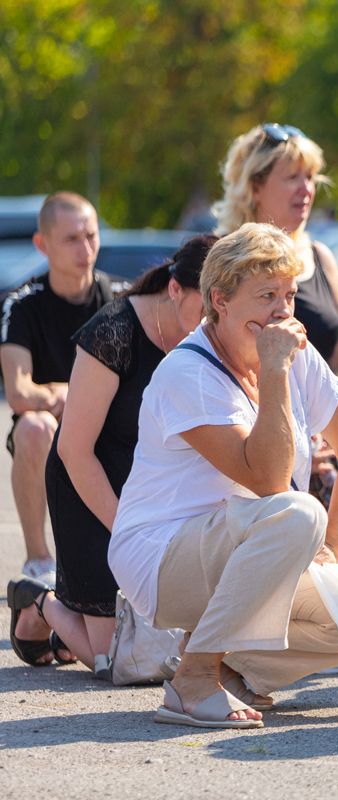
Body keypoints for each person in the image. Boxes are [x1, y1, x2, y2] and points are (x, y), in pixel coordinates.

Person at [109, 223, 338, 727]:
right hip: (162, 558)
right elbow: (270, 482)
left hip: (254, 543)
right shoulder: (187, 372)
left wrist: (332, 551)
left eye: (290, 295)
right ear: (221, 301)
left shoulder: (291, 351)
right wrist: (274, 371)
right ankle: (195, 675)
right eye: (266, 295)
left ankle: (228, 664)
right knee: (299, 512)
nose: (282, 310)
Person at [7, 236, 212, 669]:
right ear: (175, 290)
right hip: (92, 486)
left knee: (176, 649)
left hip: (159, 494)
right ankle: (40, 601)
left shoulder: (215, 340)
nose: (214, 320)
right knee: (121, 659)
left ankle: (72, 607)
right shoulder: (113, 330)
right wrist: (128, 532)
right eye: (207, 305)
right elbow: (74, 449)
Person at [212, 123, 338, 551]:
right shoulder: (220, 261)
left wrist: (328, 434)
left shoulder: (321, 257)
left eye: (311, 177)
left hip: (328, 460)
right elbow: (212, 364)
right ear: (256, 185)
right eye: (292, 177)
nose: (307, 189)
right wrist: (295, 438)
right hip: (252, 469)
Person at [1, 192, 117, 583]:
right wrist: (71, 395)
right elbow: (18, 393)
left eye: (91, 235)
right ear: (42, 244)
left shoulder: (120, 301)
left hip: (111, 431)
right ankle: (38, 563)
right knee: (34, 428)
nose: (85, 249)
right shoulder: (22, 305)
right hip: (50, 433)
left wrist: (69, 395)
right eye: (71, 239)